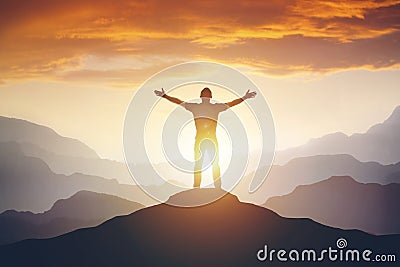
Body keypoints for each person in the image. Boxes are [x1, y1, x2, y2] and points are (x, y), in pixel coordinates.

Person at [154, 87, 256, 188]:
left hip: (199, 140)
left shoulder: (195, 107)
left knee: (198, 165)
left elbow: (179, 102)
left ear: (200, 97)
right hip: (212, 140)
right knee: (215, 164)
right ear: (211, 97)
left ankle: (196, 187)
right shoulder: (216, 107)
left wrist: (165, 96)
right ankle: (218, 187)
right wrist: (244, 97)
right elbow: (232, 103)